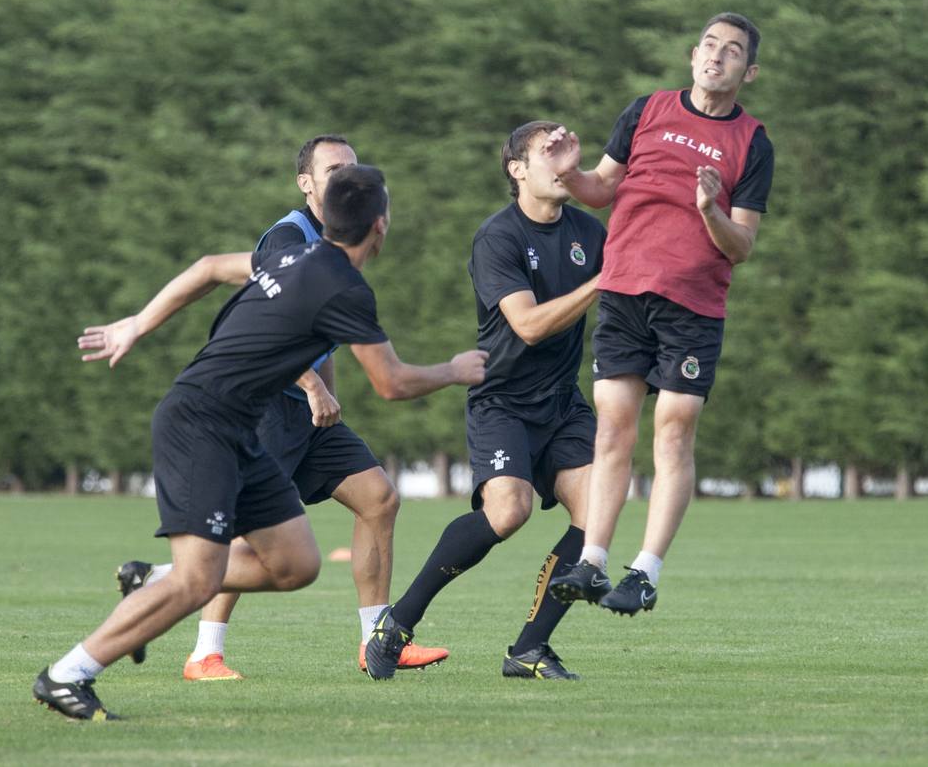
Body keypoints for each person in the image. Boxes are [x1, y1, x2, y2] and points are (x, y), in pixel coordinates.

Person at [37, 165, 486, 720]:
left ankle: (151, 582)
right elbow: (391, 382)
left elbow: (207, 268)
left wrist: (138, 323)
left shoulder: (295, 256)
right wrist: (454, 369)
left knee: (296, 564)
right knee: (198, 577)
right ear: (381, 225)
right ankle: (67, 673)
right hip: (200, 424)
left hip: (236, 430)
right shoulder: (345, 287)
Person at [116, 135, 447, 682]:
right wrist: (313, 386)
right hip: (267, 409)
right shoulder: (288, 236)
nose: (346, 175)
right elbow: (266, 323)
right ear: (306, 183)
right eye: (333, 168)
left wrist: (327, 393)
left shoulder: (340, 242)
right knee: (248, 537)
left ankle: (376, 641)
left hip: (310, 415)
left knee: (379, 500)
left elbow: (321, 336)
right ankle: (202, 648)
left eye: (352, 167)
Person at [548, 13, 774, 615]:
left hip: (694, 305)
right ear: (692, 54)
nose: (716, 56)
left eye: (732, 52)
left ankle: (644, 571)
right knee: (613, 427)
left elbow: (743, 246)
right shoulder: (646, 110)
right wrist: (569, 172)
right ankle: (592, 561)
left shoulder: (752, 142)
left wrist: (709, 210)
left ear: (748, 71)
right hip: (625, 291)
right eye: (709, 45)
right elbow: (600, 189)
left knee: (672, 430)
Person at [364, 122, 606, 681]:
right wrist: (603, 282)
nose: (561, 161)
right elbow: (526, 325)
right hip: (503, 400)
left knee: (598, 520)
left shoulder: (590, 233)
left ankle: (528, 650)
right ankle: (397, 623)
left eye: (568, 153)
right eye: (548, 152)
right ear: (516, 169)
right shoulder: (497, 236)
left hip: (562, 403)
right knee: (508, 511)